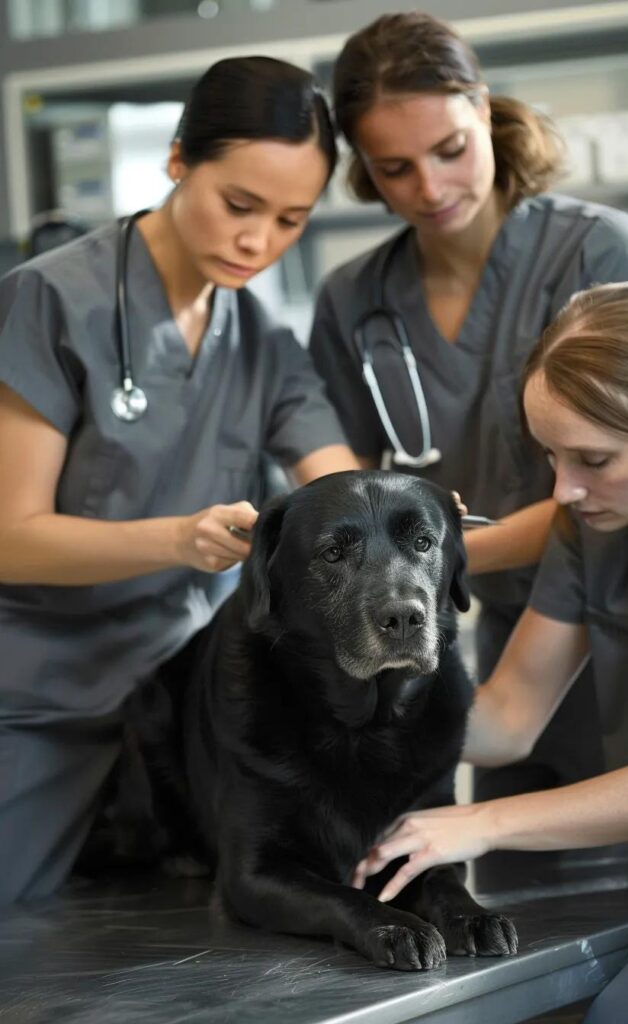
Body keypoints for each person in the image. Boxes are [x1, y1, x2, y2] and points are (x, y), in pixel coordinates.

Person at [0, 55, 358, 905]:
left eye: (290, 221)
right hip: (38, 699)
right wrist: (177, 539)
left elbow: (338, 485)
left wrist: (402, 522)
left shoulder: (264, 340)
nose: (258, 242)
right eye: (239, 205)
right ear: (175, 160)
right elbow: (11, 535)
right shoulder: (49, 301)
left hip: (185, 701)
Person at [309, 11, 628, 813]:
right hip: (502, 644)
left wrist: (423, 564)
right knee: (523, 890)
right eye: (395, 168)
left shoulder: (594, 253)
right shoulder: (354, 300)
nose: (431, 188)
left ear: (485, 110)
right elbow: (346, 494)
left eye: (449, 150)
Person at [354, 280, 628, 1023]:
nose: (563, 490)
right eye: (550, 457)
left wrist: (480, 822)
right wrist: (345, 725)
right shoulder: (593, 524)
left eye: (593, 459)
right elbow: (505, 718)